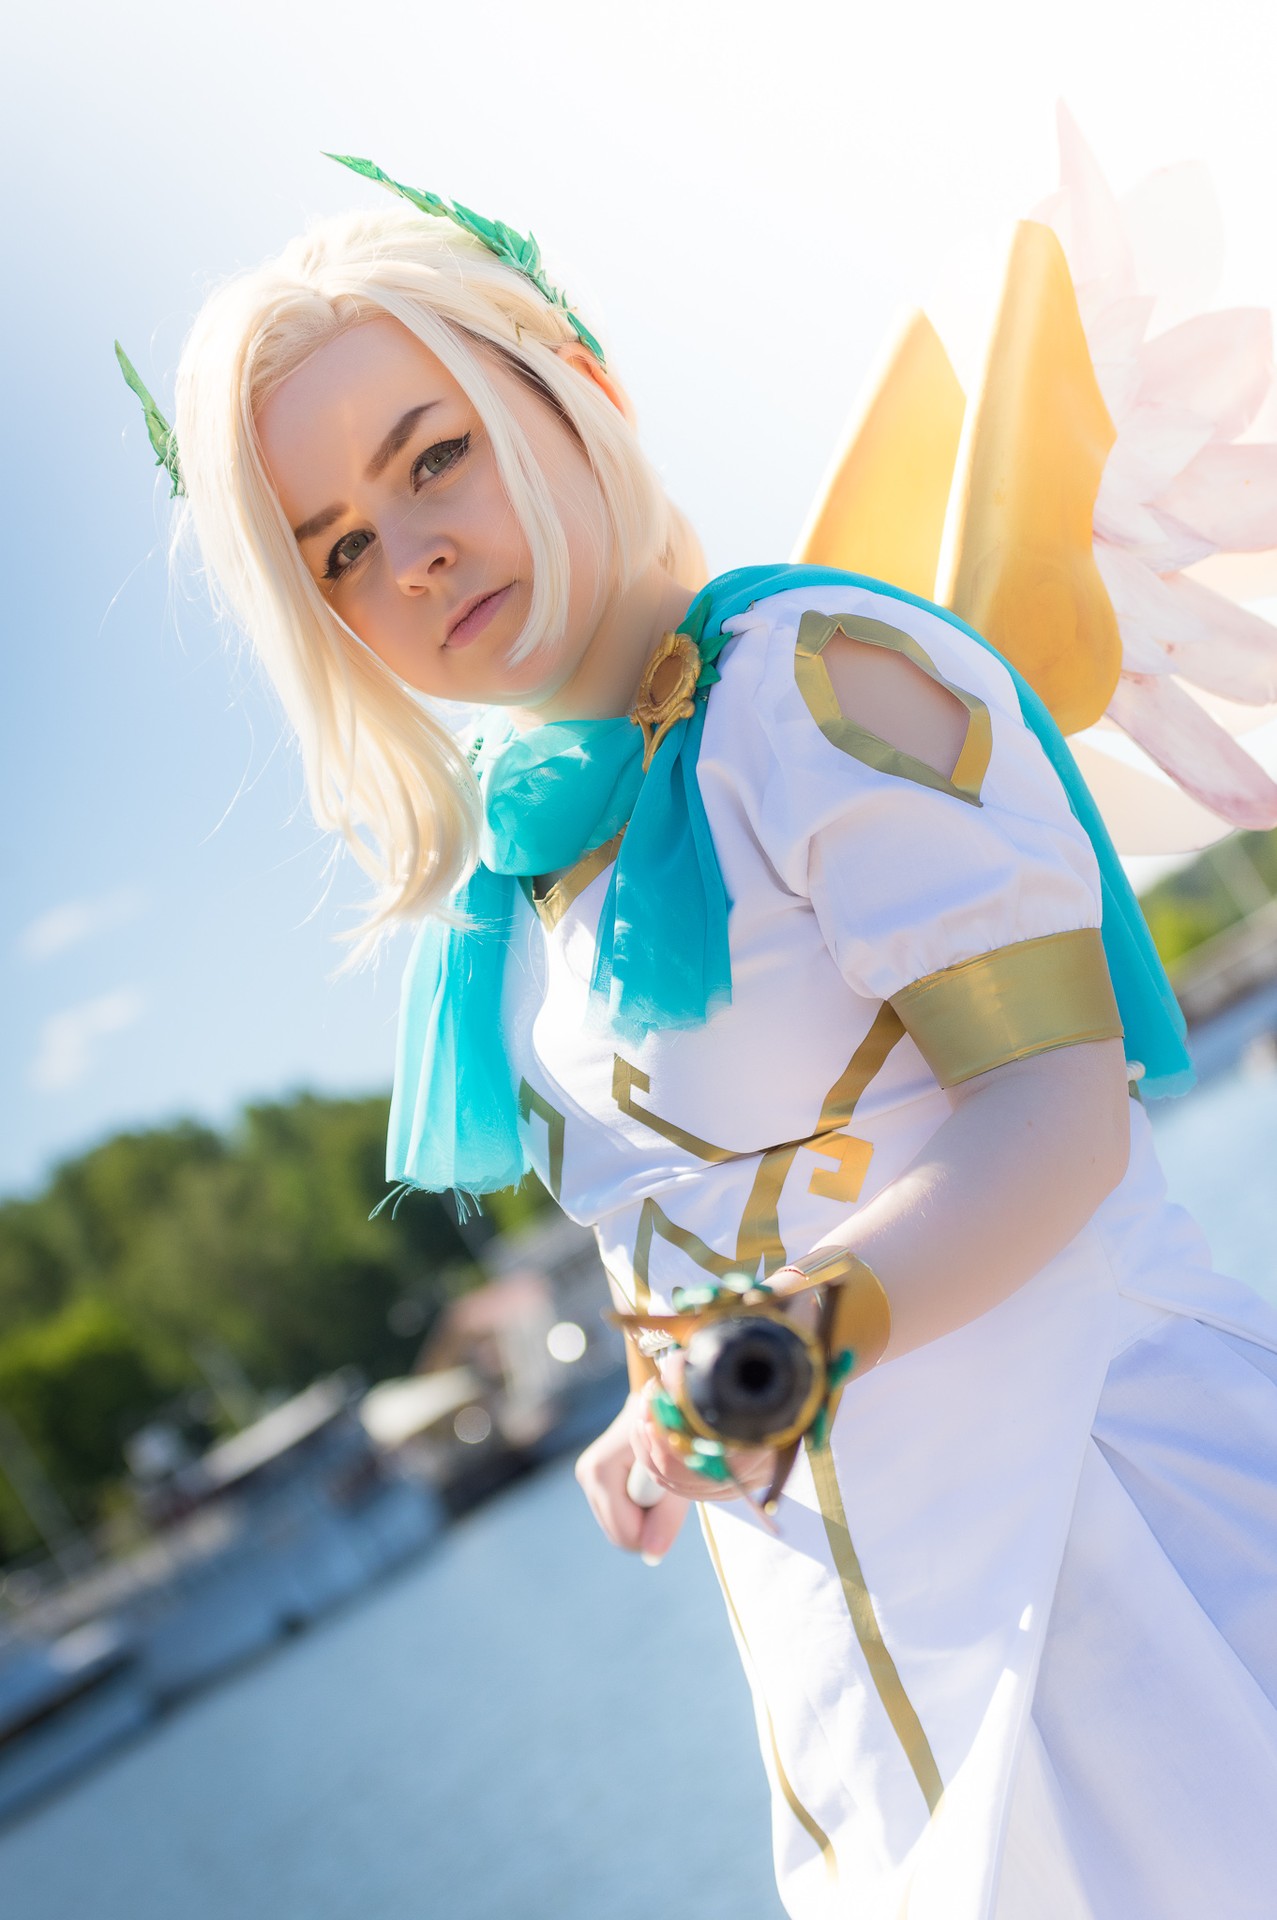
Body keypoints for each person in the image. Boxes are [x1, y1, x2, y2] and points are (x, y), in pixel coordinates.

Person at [127, 152, 1277, 1919]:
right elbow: (679, 1211)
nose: (411, 553)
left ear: (569, 377)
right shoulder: (533, 868)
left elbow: (1055, 1114)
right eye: (339, 548)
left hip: (1117, 1535)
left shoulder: (817, 673)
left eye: (433, 455)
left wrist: (790, 1340)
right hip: (860, 1653)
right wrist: (654, 1400)